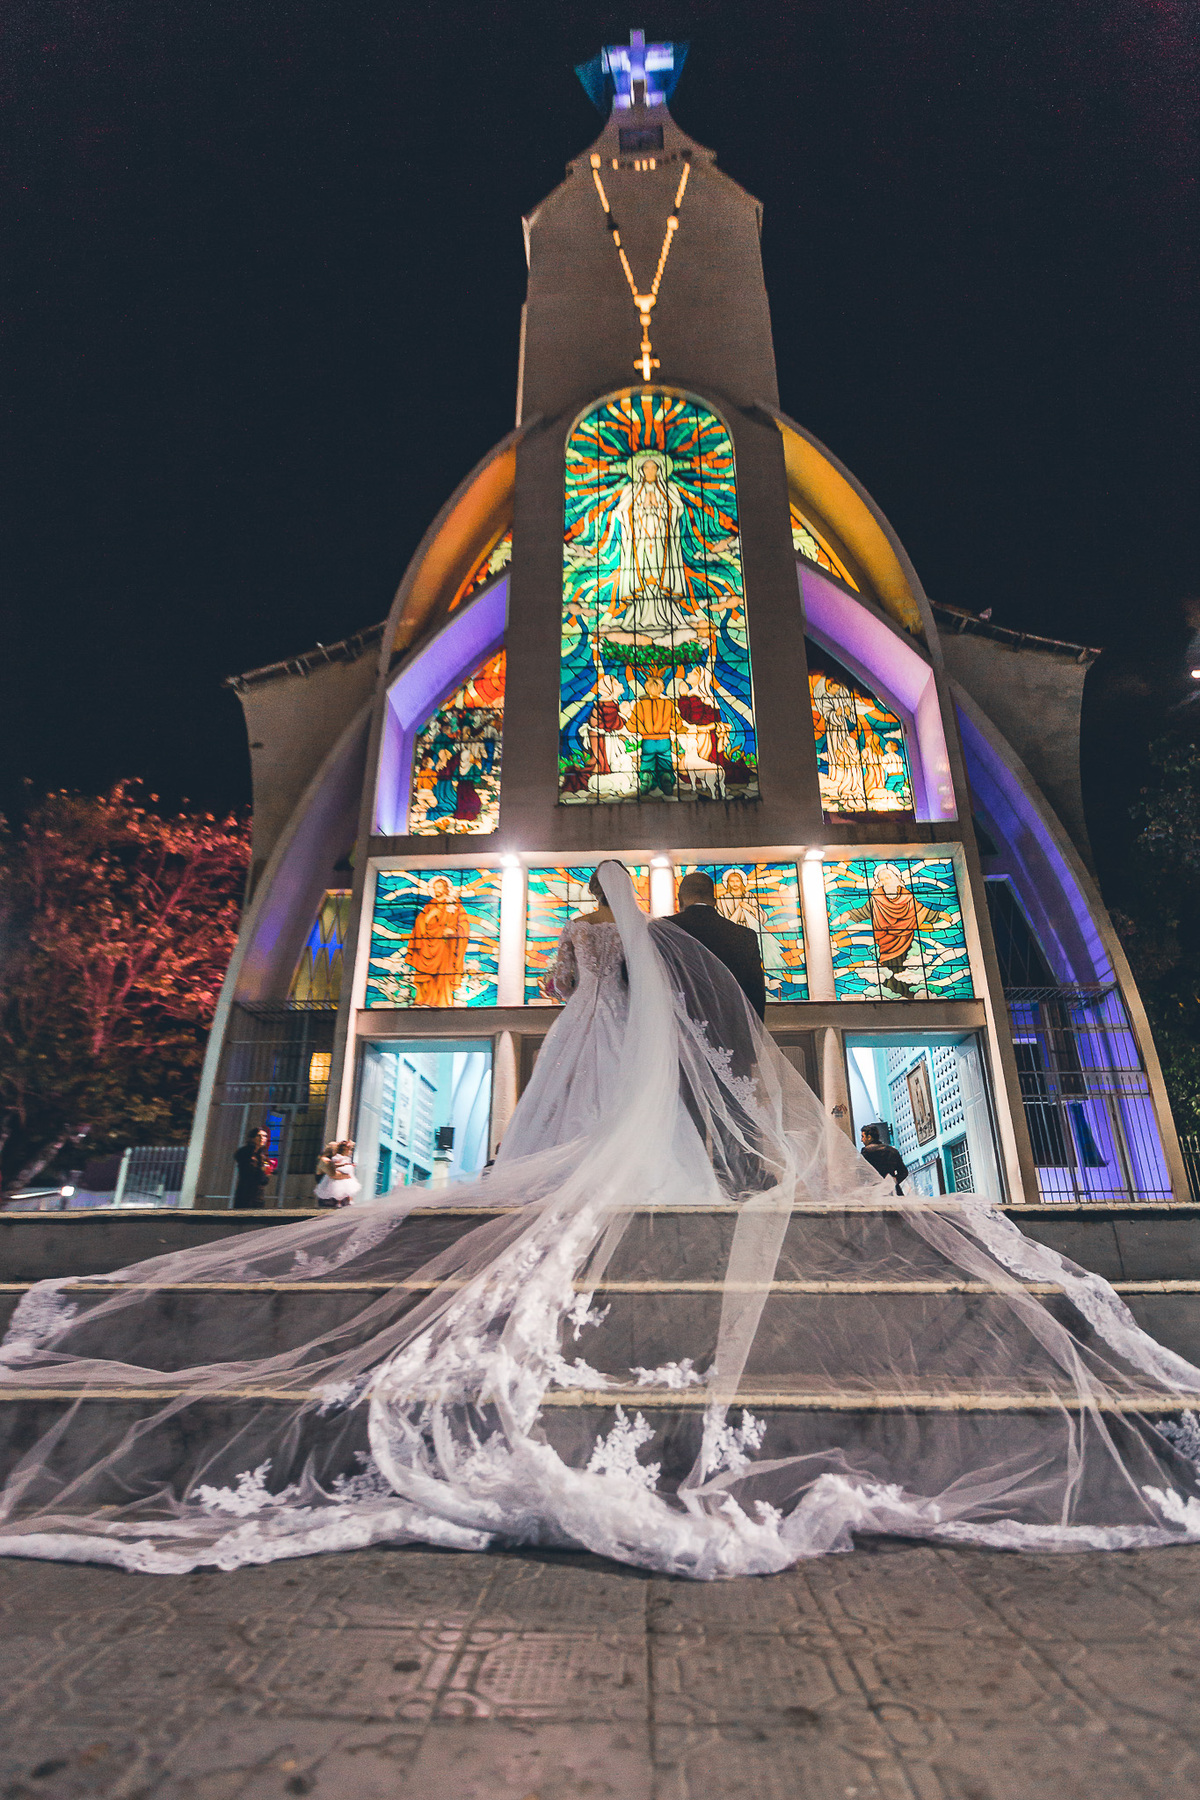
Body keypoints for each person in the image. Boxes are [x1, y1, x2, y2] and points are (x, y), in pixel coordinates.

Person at [5, 860, 1200, 1578]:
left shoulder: (635, 953)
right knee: (693, 1154)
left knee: (593, 1161)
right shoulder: (708, 947)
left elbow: (609, 1014)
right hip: (695, 1074)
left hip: (649, 1081)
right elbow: (735, 1009)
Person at [669, 869, 765, 1019]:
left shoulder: (662, 929)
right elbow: (755, 993)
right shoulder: (745, 936)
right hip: (730, 1026)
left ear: (680, 899)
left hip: (679, 1028)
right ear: (715, 901)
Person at [405, 875, 468, 1007]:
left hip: (445, 946)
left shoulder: (454, 903)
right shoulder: (430, 905)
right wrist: (430, 915)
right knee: (424, 974)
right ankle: (423, 1000)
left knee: (443, 974)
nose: (437, 889)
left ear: (446, 888)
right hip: (427, 944)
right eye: (435, 887)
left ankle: (443, 1001)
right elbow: (420, 922)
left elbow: (464, 924)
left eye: (439, 887)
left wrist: (454, 931)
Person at [231, 1128, 273, 1210]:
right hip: (246, 1192)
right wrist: (263, 1170)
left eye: (264, 1136)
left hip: (258, 1193)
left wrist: (265, 1170)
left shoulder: (262, 1155)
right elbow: (250, 1172)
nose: (262, 1138)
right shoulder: (245, 1152)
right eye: (258, 1136)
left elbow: (264, 1176)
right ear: (252, 1138)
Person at [860, 1124, 908, 1193]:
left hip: (876, 1193)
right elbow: (904, 1172)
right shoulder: (892, 1151)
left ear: (869, 1137)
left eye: (863, 1136)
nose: (861, 1140)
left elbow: (861, 1175)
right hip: (894, 1192)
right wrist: (893, 1181)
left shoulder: (866, 1152)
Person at [314, 1141, 361, 1208]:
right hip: (329, 1197)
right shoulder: (325, 1160)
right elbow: (334, 1175)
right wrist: (347, 1176)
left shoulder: (336, 1160)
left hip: (337, 1196)